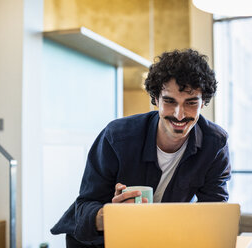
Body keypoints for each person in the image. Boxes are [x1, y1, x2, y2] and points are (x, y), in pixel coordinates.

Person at [51, 49, 231, 247]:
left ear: (204, 102)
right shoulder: (117, 136)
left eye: (191, 103)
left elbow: (215, 213)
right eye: (169, 101)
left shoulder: (214, 144)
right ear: (155, 99)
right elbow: (84, 209)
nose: (179, 115)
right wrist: (112, 214)